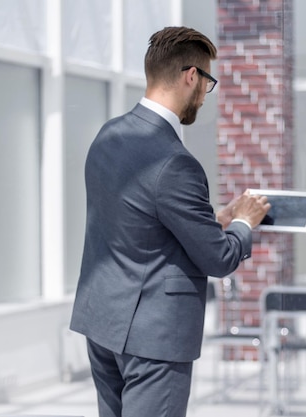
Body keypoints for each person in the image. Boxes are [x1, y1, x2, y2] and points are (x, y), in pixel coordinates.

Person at [69, 26, 270, 417]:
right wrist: (244, 224)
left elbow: (134, 217)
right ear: (191, 76)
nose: (205, 95)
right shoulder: (174, 160)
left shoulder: (108, 135)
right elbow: (218, 259)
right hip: (153, 337)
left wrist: (213, 217)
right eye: (207, 82)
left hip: (103, 322)